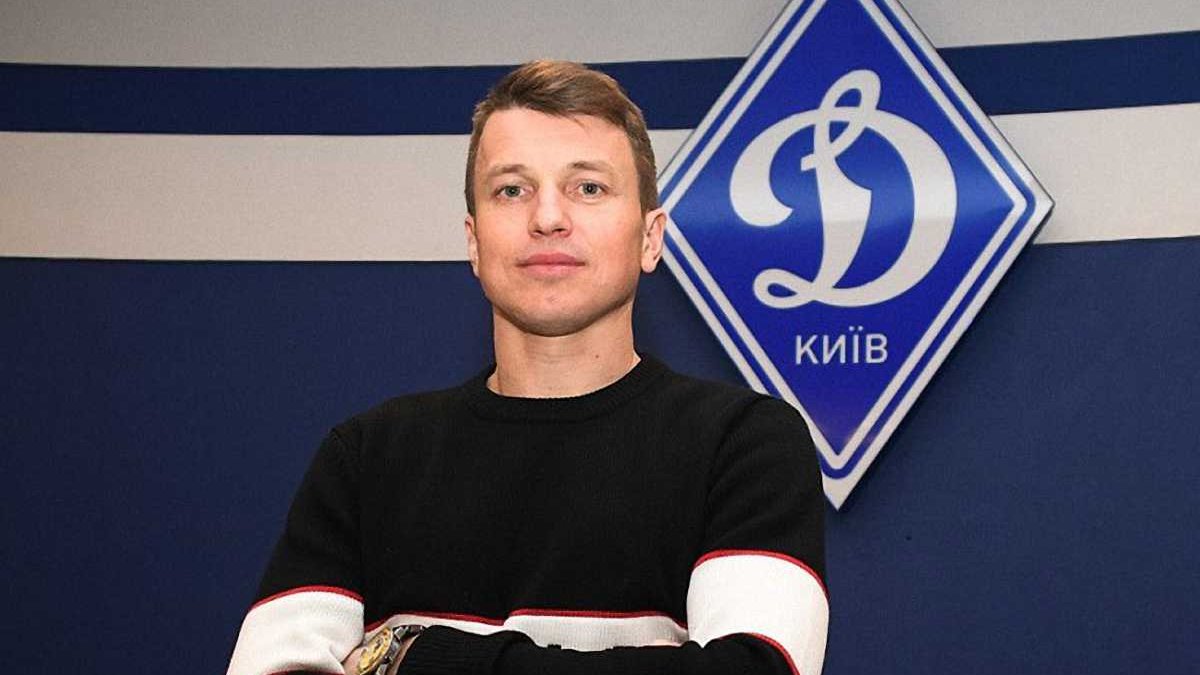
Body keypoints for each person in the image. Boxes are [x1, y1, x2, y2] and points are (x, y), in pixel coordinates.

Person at [226, 60, 828, 675]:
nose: (547, 218)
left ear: (650, 239)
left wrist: (420, 659)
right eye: (512, 190)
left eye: (588, 188)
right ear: (473, 241)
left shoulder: (744, 446)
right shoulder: (366, 459)